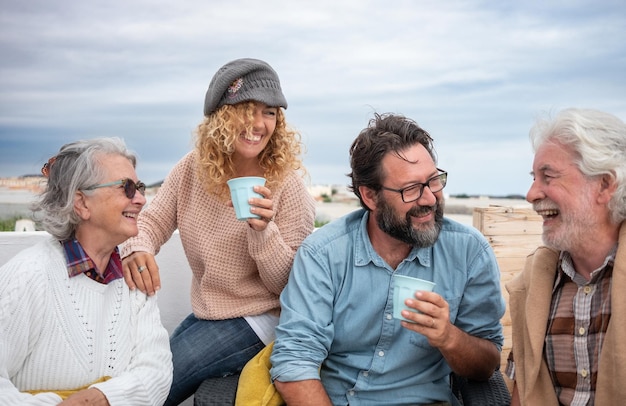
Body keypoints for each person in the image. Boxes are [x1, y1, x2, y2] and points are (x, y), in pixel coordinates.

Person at [270, 113, 505, 406]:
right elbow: (295, 362)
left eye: (434, 181)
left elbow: (487, 365)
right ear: (370, 196)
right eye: (411, 189)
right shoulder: (323, 255)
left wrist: (449, 337)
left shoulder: (469, 252)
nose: (430, 198)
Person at [120, 58, 316, 405]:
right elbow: (152, 221)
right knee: (142, 367)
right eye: (247, 110)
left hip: (264, 317)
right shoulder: (192, 168)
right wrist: (137, 247)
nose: (259, 124)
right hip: (211, 311)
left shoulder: (289, 186)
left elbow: (291, 285)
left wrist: (262, 232)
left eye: (269, 112)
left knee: (157, 383)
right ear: (223, 115)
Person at [0, 138, 172, 405]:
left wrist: (103, 398)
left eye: (138, 188)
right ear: (81, 203)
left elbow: (157, 371)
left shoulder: (132, 280)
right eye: (126, 188)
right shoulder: (27, 276)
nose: (140, 199)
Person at [506, 108, 626, 405]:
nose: (532, 194)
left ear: (605, 184)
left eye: (547, 177)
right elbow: (523, 393)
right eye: (534, 178)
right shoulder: (533, 284)